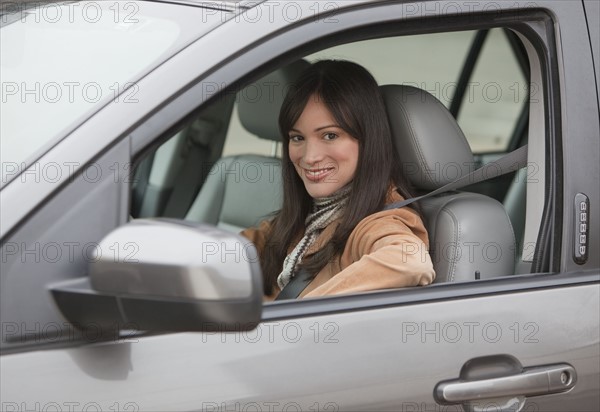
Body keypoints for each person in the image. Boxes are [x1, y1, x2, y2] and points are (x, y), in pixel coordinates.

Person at [241, 60, 435, 301]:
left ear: (368, 139)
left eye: (330, 135)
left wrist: (293, 314)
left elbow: (410, 262)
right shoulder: (305, 218)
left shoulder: (376, 222)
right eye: (297, 138)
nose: (310, 157)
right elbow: (235, 251)